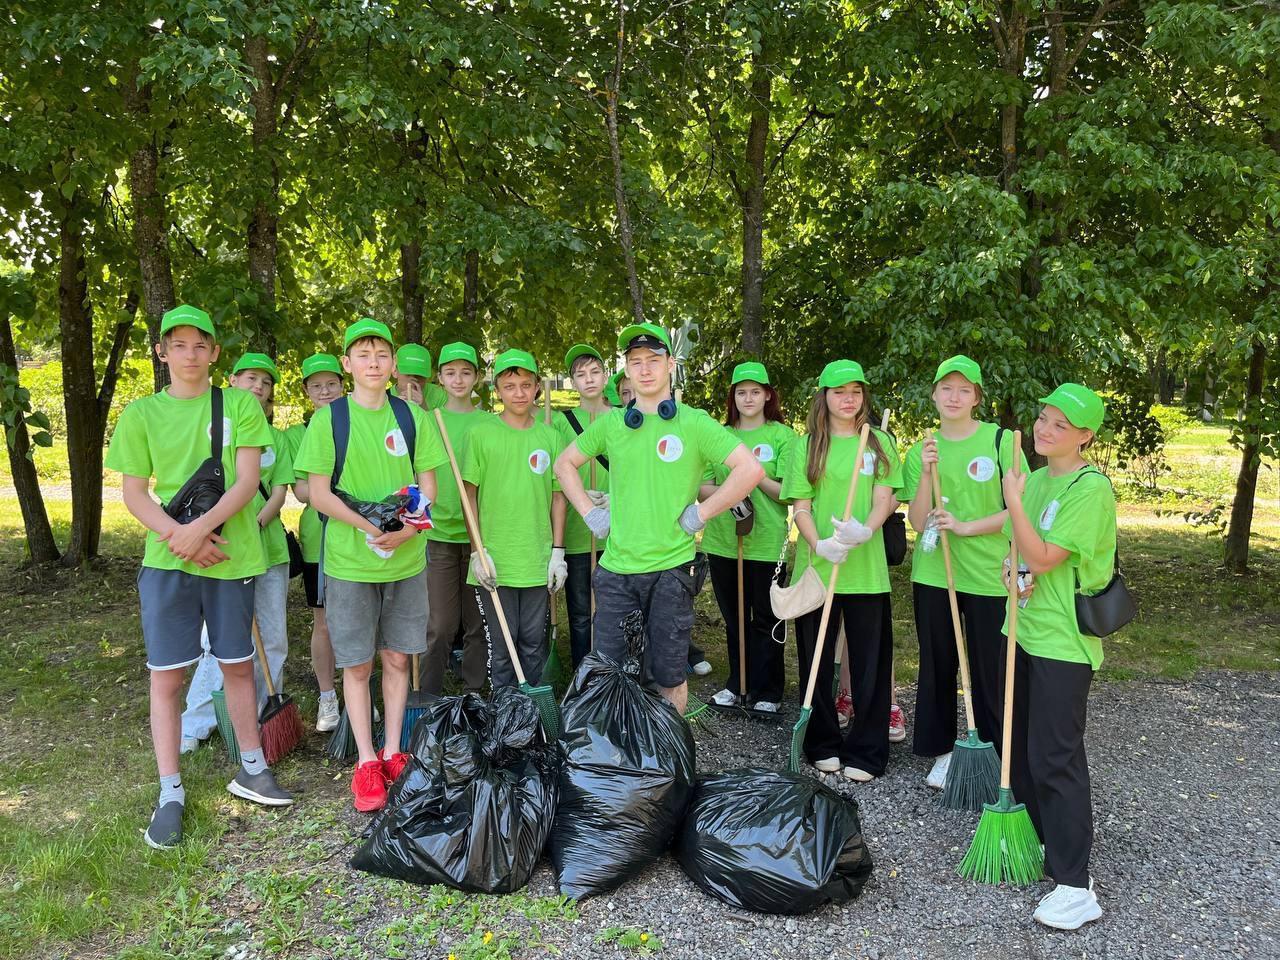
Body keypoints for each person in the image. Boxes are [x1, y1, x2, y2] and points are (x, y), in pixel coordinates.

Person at [106, 304, 293, 849]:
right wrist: (179, 537)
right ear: (162, 352)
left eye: (200, 345)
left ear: (215, 353)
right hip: (168, 563)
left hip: (232, 559)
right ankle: (170, 791)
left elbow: (246, 481)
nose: (190, 354)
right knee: (167, 677)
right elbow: (135, 494)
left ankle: (252, 767)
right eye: (178, 345)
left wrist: (200, 530)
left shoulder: (239, 404)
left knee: (238, 666)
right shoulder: (141, 414)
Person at [554, 322, 763, 714]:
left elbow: (750, 470)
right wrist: (589, 514)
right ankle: (615, 763)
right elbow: (564, 464)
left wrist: (702, 513)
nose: (645, 369)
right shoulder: (614, 423)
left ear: (670, 364)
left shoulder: (694, 422)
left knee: (669, 676)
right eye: (636, 362)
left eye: (653, 360)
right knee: (609, 675)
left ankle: (667, 761)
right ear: (627, 371)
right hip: (616, 572)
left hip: (670, 571)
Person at [294, 317, 446, 813]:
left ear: (394, 363)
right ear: (347, 364)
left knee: (399, 656)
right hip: (348, 563)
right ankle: (366, 762)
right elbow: (318, 493)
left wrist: (407, 529)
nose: (374, 363)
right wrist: (365, 525)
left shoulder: (411, 418)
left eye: (382, 354)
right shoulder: (329, 420)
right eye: (363, 355)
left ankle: (394, 749)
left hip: (405, 562)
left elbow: (430, 485)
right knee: (357, 664)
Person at [1001, 383, 1114, 930]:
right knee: (1021, 751)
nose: (1044, 430)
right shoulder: (1042, 477)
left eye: (1059, 426)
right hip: (1022, 630)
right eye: (1042, 419)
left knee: (1055, 757)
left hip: (1064, 644)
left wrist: (1015, 502)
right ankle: (1048, 849)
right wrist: (1012, 570)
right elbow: (1019, 551)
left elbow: (1044, 554)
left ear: (1085, 437)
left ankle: (1076, 884)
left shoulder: (1090, 490)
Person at [900, 355, 1026, 789]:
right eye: (946, 389)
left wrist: (967, 527)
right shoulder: (922, 450)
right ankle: (942, 752)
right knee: (937, 664)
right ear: (933, 394)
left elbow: (1018, 510)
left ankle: (992, 750)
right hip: (936, 574)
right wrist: (925, 474)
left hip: (990, 575)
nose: (954, 397)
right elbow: (918, 522)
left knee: (991, 667)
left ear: (976, 397)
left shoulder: (1001, 442)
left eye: (964, 390)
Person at [780, 359, 902, 782]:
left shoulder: (880, 441)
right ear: (824, 397)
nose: (848, 399)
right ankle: (821, 742)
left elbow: (887, 499)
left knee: (870, 662)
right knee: (814, 659)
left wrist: (864, 530)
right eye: (839, 392)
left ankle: (868, 750)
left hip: (866, 572)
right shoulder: (806, 445)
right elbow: (800, 507)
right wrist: (821, 544)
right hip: (818, 570)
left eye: (855, 391)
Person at [178, 353, 294, 753]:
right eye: (250, 378)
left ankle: (264, 716)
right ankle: (197, 722)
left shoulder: (277, 440)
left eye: (265, 382)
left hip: (271, 551)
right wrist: (236, 528)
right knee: (218, 642)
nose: (257, 387)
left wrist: (256, 525)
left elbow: (278, 492)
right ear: (231, 380)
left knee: (273, 639)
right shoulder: (214, 429)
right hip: (225, 549)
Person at [463, 349, 566, 688]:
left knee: (533, 645)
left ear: (538, 386)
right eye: (510, 386)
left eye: (526, 385)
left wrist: (558, 552)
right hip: (496, 560)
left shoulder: (550, 438)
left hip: (536, 559)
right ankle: (504, 720)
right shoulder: (480, 434)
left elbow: (558, 496)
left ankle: (532, 719)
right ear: (497, 390)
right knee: (503, 648)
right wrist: (478, 551)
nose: (519, 393)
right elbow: (469, 497)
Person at [702, 362, 795, 713]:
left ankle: (768, 690)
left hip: (768, 543)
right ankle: (737, 684)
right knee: (734, 617)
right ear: (733, 397)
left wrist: (749, 477)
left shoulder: (782, 436)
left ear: (768, 394)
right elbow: (702, 487)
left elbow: (787, 492)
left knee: (768, 619)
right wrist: (731, 490)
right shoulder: (719, 434)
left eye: (756, 391)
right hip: (724, 541)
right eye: (741, 392)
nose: (748, 398)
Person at [422, 341, 490, 695]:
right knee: (441, 625)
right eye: (451, 373)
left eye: (466, 372)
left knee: (478, 622)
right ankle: (428, 696)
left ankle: (474, 693)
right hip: (439, 534)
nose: (459, 379)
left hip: (478, 536)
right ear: (440, 378)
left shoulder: (488, 423)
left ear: (476, 377)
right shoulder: (429, 421)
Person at [286, 353, 345, 732]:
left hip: (359, 535)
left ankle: (362, 693)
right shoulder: (297, 433)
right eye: (316, 385)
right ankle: (328, 697)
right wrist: (346, 493)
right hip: (318, 538)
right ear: (307, 391)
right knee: (323, 620)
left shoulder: (358, 421)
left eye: (332, 384)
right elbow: (304, 490)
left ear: (343, 385)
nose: (325, 391)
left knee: (364, 620)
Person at [552, 344, 611, 667]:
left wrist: (612, 497)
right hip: (577, 529)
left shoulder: (620, 418)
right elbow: (558, 473)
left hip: (615, 530)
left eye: (594, 372)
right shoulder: (561, 423)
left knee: (612, 608)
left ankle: (610, 676)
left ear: (605, 376)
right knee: (579, 609)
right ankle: (582, 677)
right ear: (572, 382)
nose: (588, 380)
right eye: (580, 374)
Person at [394, 343, 447, 410]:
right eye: (408, 374)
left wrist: (423, 407)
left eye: (419, 375)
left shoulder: (440, 394)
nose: (413, 380)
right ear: (395, 371)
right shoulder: (385, 397)